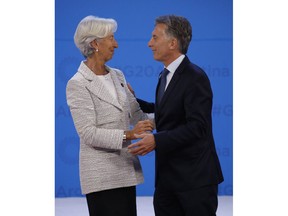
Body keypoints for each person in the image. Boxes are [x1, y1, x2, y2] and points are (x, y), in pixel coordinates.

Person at [128, 15, 224, 216]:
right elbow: (169, 110)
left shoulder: (195, 77)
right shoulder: (165, 75)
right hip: (167, 181)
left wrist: (156, 139)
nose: (149, 43)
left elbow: (198, 127)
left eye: (155, 38)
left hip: (194, 182)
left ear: (172, 43)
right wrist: (133, 101)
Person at [66, 15, 154, 216]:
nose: (116, 44)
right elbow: (88, 133)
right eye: (111, 38)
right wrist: (130, 135)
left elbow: (138, 116)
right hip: (101, 177)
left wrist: (172, 113)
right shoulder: (77, 83)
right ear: (95, 43)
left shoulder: (117, 75)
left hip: (125, 170)